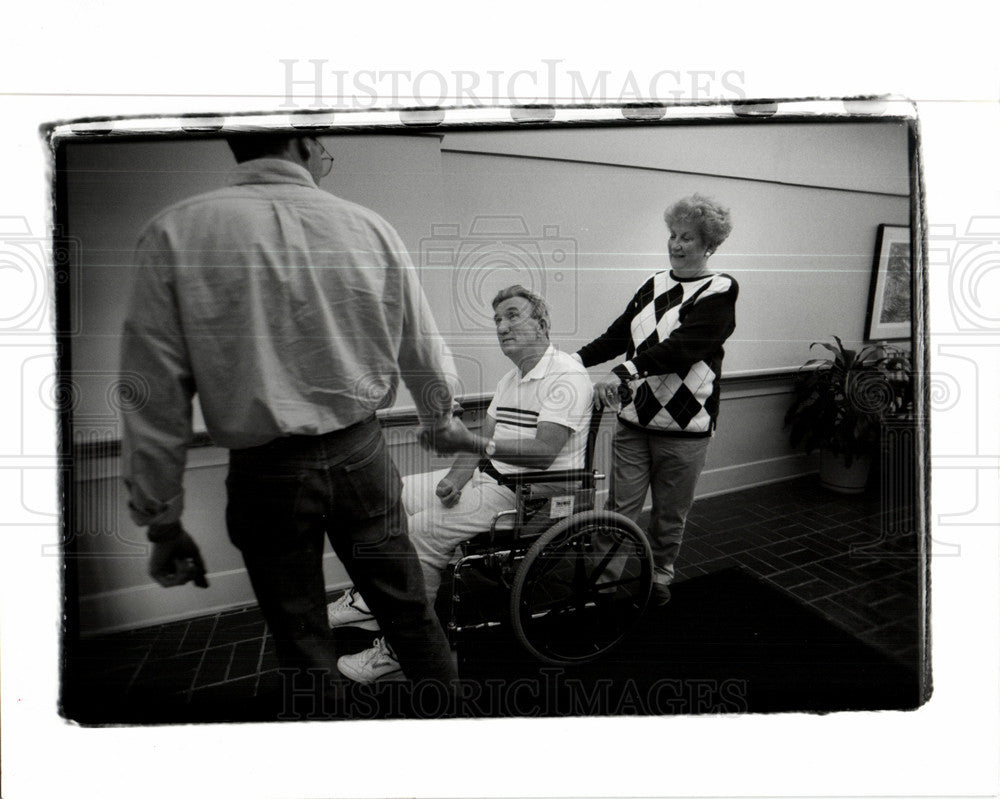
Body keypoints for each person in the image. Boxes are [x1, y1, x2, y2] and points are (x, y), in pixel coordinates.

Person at [119, 132, 461, 700]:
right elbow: (421, 349)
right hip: (362, 455)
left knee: (301, 641)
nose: (325, 162)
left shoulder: (175, 233)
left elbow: (153, 398)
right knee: (412, 617)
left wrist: (161, 521)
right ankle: (462, 749)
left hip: (265, 473)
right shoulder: (369, 227)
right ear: (305, 143)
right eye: (324, 152)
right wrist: (438, 419)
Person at [330, 285, 593, 684]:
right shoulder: (510, 379)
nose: (502, 327)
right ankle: (372, 601)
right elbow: (480, 445)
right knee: (392, 494)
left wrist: (472, 444)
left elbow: (541, 452)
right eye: (498, 320)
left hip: (532, 496)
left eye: (512, 315)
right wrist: (455, 477)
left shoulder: (567, 377)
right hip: (494, 481)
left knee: (420, 531)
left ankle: (404, 650)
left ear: (541, 324)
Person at [574, 194, 738, 605]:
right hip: (634, 421)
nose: (676, 245)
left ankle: (660, 577)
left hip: (685, 430)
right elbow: (618, 337)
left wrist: (626, 371)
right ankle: (602, 584)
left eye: (687, 238)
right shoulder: (652, 284)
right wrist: (571, 362)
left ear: (709, 245)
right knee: (617, 511)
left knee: (668, 516)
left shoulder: (720, 290)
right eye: (673, 235)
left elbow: (685, 347)